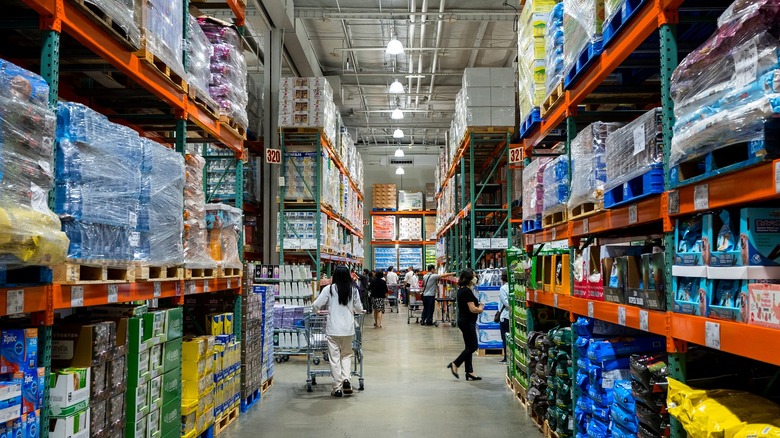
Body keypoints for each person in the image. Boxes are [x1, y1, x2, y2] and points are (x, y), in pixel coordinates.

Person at [311, 265, 364, 397]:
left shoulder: (329, 289)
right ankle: (347, 379)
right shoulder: (353, 290)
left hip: (333, 328)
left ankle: (337, 387)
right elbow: (358, 308)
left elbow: (316, 304)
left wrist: (315, 311)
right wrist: (357, 310)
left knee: (334, 358)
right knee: (346, 355)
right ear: (348, 276)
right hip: (348, 328)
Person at [447, 268, 484, 381]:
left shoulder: (462, 289)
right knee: (473, 346)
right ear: (469, 278)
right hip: (468, 321)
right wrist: (481, 308)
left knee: (468, 346)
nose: (475, 278)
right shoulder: (467, 291)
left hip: (464, 321)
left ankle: (470, 371)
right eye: (473, 276)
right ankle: (455, 364)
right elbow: (472, 309)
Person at [498, 271, 510, 363]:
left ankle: (506, 357)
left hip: (505, 316)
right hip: (510, 316)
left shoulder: (503, 288)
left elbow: (505, 302)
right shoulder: (512, 287)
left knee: (505, 337)